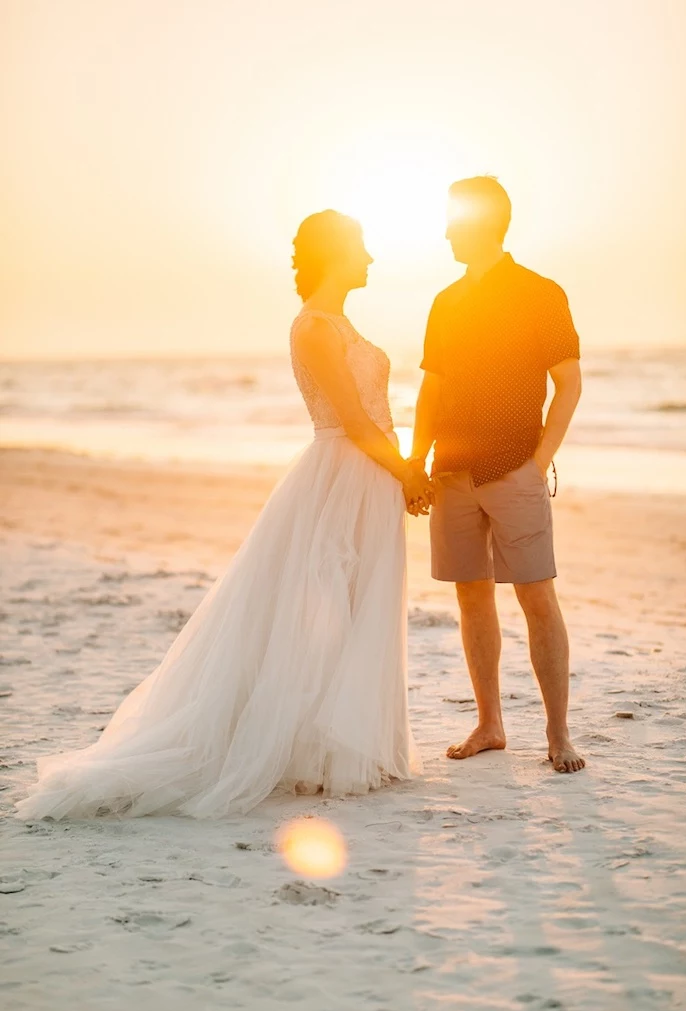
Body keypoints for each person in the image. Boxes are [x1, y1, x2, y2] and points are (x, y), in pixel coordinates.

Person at [16, 210, 431, 820]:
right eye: (361, 248)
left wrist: (399, 473)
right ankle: (312, 752)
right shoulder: (314, 327)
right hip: (341, 475)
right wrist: (407, 473)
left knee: (360, 603)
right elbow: (353, 418)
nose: (370, 258)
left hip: (367, 476)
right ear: (336, 255)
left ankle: (346, 745)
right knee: (320, 607)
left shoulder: (341, 322)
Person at [410, 177, 585, 774]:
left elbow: (569, 383)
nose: (446, 232)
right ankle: (490, 724)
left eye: (454, 221)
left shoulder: (540, 293)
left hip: (515, 468)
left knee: (538, 597)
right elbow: (431, 390)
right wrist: (417, 460)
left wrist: (538, 461)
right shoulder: (445, 301)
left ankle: (558, 735)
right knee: (471, 598)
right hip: (452, 471)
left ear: (483, 224)